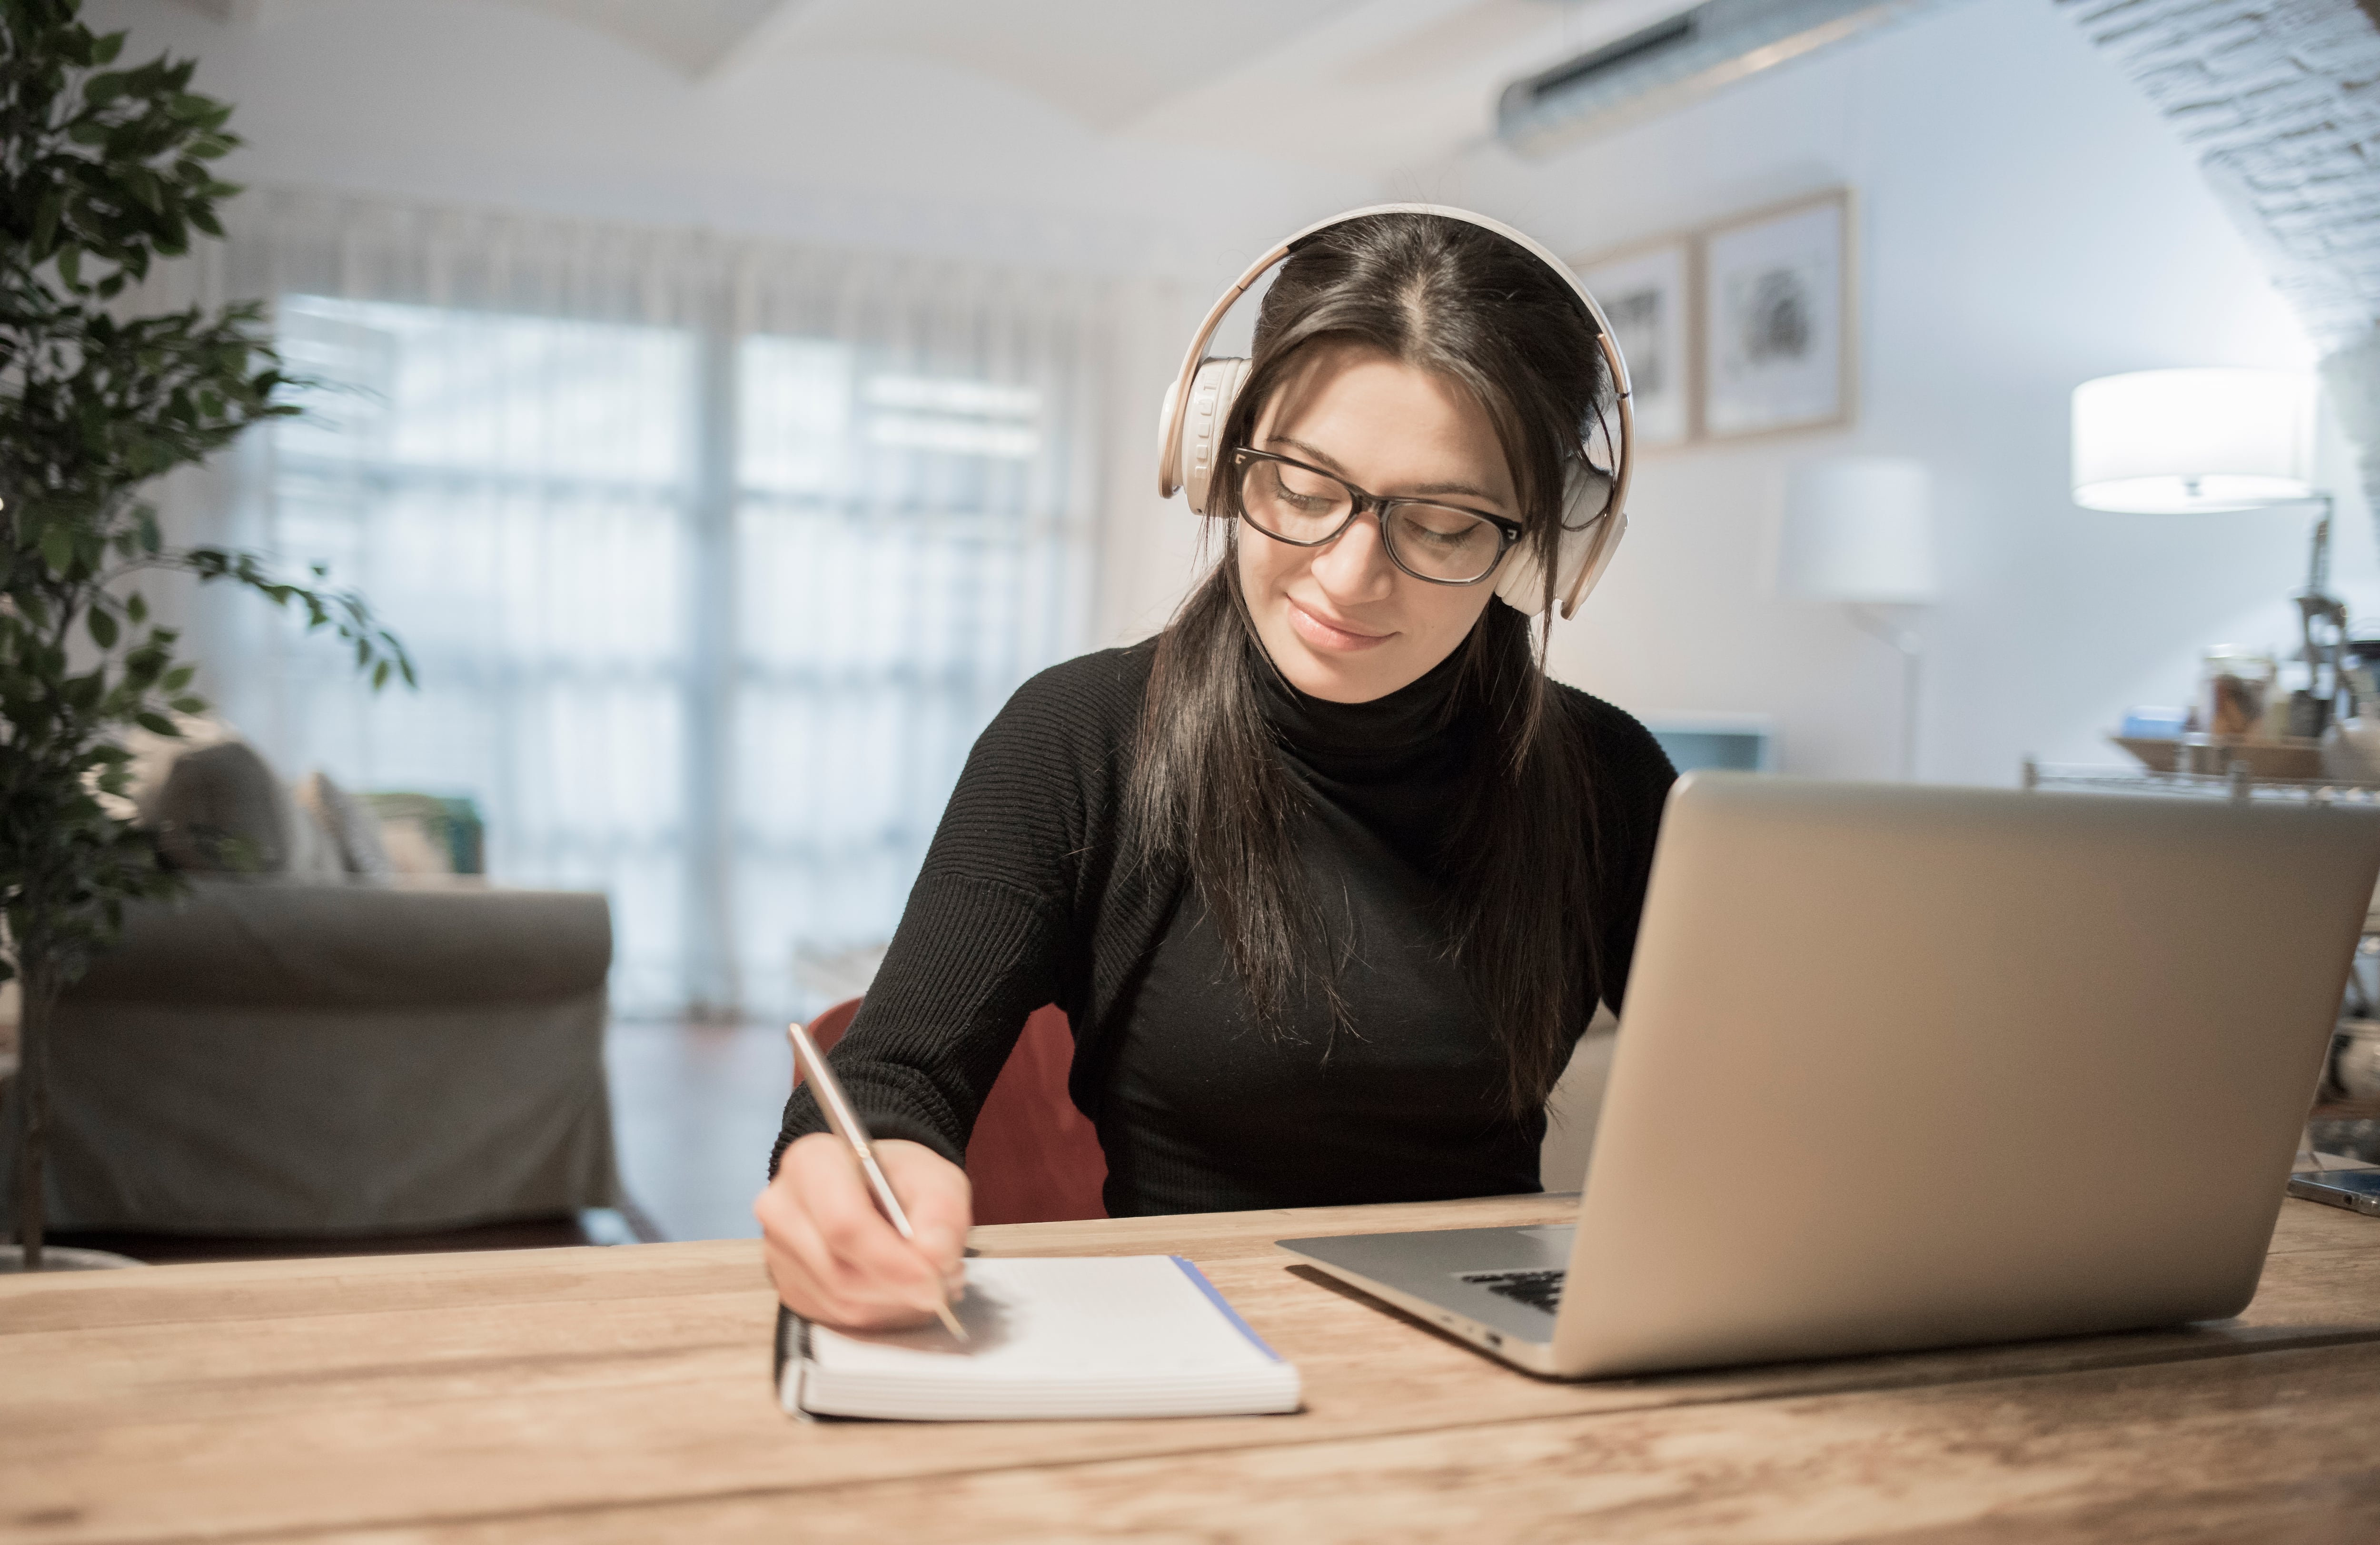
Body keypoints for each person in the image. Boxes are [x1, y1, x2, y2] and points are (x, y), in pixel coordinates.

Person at [756, 209, 1677, 1331]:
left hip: (1508, 1350)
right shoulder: (1078, 738)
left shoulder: (1605, 778)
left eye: (1440, 525)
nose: (1346, 577)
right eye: (1300, 485)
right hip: (1191, 1344)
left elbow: (1771, 1101)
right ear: (1214, 454)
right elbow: (889, 1083)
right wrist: (855, 1170)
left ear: (1544, 542)